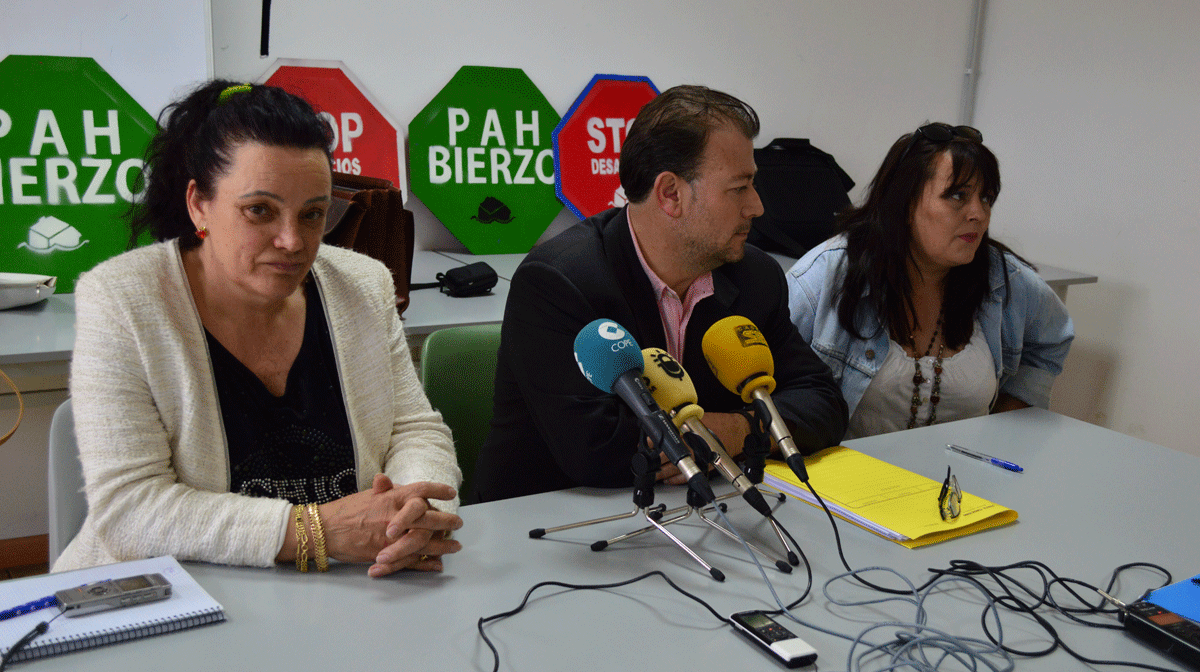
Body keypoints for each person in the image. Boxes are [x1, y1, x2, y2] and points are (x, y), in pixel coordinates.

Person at [54, 81, 463, 577]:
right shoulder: (123, 300)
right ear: (198, 204)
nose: (293, 241)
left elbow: (413, 428)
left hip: (355, 581)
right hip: (179, 593)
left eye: (313, 214)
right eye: (259, 211)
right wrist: (317, 530)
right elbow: (131, 510)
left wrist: (411, 510)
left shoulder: (364, 284)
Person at [474, 86, 848, 502]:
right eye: (739, 188)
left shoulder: (755, 277)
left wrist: (738, 430)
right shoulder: (559, 282)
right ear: (671, 193)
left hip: (705, 510)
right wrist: (736, 432)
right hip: (550, 525)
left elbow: (823, 402)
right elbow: (595, 450)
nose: (757, 207)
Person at [786, 123, 1073, 439]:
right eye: (957, 195)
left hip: (963, 482)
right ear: (905, 202)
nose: (978, 213)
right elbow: (770, 383)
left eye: (987, 197)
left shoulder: (1002, 280)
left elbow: (1052, 337)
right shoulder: (828, 275)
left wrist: (1005, 431)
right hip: (847, 481)